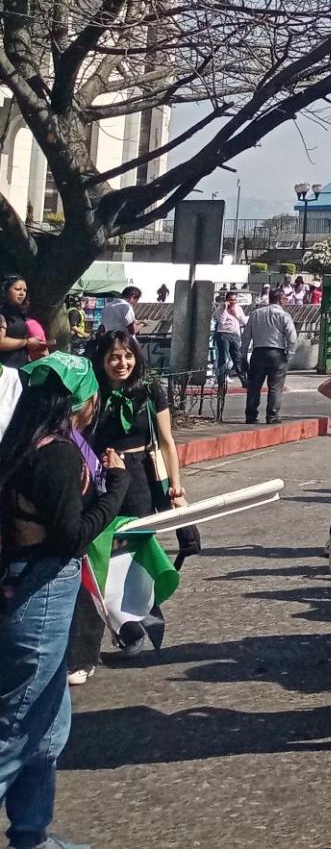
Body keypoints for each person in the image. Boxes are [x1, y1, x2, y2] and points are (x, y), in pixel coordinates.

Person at [0, 363, 128, 849]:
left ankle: (31, 835)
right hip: (41, 593)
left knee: (48, 726)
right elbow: (71, 536)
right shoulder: (56, 455)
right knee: (17, 727)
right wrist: (115, 487)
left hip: (29, 587)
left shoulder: (19, 445)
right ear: (82, 403)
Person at [81, 331, 186, 660]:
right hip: (105, 478)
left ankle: (142, 621)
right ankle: (116, 625)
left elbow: (167, 441)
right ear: (102, 360)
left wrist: (176, 487)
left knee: (138, 549)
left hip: (141, 477)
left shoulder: (151, 389)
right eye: (113, 356)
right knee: (104, 552)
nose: (121, 363)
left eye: (127, 355)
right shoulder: (92, 392)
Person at [242, 291, 299, 424]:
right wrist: (290, 354)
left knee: (254, 386)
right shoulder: (284, 315)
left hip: (258, 352)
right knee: (275, 386)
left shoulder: (256, 314)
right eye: (285, 298)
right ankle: (272, 415)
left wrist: (243, 356)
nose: (286, 301)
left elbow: (245, 337)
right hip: (277, 353)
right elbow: (292, 337)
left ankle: (251, 415)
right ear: (279, 300)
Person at [0, 277, 47, 368]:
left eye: (24, 290)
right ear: (5, 291)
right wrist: (26, 342)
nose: (22, 293)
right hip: (5, 371)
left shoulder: (19, 314)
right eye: (17, 289)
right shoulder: (2, 313)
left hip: (21, 368)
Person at [211, 290, 248, 391]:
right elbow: (221, 321)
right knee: (223, 358)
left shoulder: (238, 309)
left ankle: (244, 380)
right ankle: (221, 382)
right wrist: (225, 309)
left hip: (235, 335)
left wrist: (235, 314)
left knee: (238, 358)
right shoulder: (220, 309)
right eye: (231, 300)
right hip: (223, 334)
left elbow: (244, 321)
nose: (233, 302)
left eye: (235, 300)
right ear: (227, 300)